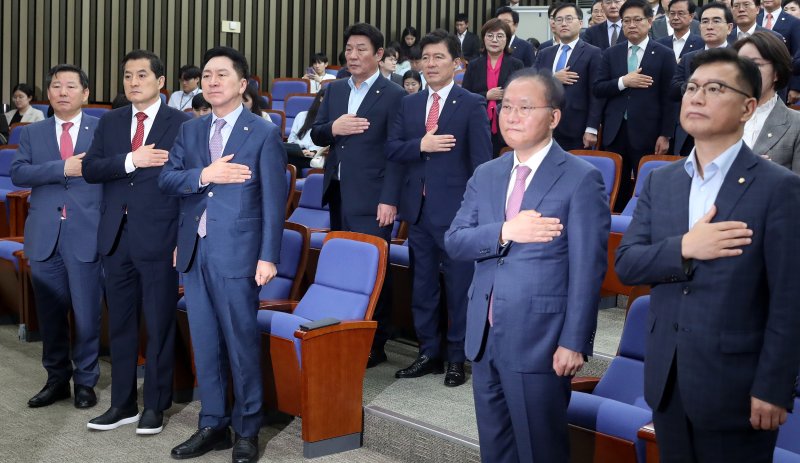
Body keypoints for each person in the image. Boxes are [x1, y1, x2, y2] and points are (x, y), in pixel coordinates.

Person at [615, 47, 800, 463]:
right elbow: (627, 264)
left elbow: (790, 300)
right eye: (692, 88)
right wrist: (685, 247)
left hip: (738, 386)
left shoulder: (778, 187)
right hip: (667, 379)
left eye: (715, 89)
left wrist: (773, 387)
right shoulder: (662, 181)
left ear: (747, 107)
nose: (697, 97)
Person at [445, 68, 609, 463]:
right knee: (496, 449)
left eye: (525, 108)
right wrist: (506, 231)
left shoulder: (581, 178)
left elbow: (588, 269)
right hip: (484, 334)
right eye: (506, 107)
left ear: (553, 117)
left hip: (541, 339)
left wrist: (575, 341)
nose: (512, 116)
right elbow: (455, 241)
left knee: (540, 450)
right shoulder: (487, 173)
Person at [160, 46, 286, 463]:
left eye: (222, 75)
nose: (212, 82)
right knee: (205, 342)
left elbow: (273, 200)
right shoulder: (191, 130)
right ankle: (212, 424)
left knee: (241, 344)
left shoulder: (262, 132)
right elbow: (168, 180)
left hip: (239, 253)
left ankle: (247, 429)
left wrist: (268, 256)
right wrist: (204, 175)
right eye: (207, 75)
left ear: (242, 83)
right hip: (195, 251)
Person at [82, 49, 191, 435]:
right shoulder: (110, 121)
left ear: (160, 82)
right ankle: (123, 403)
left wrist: (182, 238)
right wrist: (132, 159)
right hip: (116, 236)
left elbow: (188, 183)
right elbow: (91, 169)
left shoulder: (181, 123)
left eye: (141, 75)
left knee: (159, 323)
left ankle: (156, 405)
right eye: (128, 75)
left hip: (160, 236)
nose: (133, 82)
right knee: (122, 323)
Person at [387, 29, 492, 388]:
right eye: (425, 58)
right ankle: (428, 352)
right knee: (423, 287)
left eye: (439, 57)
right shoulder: (409, 103)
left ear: (457, 63)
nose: (430, 64)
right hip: (417, 212)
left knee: (460, 288)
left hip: (457, 216)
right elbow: (393, 149)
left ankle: (457, 357)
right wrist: (422, 144)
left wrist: (477, 214)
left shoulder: (471, 103)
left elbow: (481, 165)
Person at [310, 23, 406, 368]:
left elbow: (396, 152)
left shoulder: (395, 95)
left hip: (374, 196)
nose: (352, 55)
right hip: (338, 190)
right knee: (346, 267)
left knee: (375, 269)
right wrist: (333, 128)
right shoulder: (335, 89)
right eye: (349, 49)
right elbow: (317, 133)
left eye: (361, 49)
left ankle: (375, 342)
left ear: (379, 54)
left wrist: (390, 198)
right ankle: (345, 333)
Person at [10, 64, 103, 411]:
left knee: (87, 313)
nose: (63, 92)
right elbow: (19, 173)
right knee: (49, 314)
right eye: (56, 86)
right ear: (48, 93)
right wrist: (62, 168)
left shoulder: (102, 130)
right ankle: (56, 380)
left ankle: (86, 382)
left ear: (85, 93)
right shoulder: (32, 132)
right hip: (44, 234)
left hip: (87, 233)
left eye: (71, 86)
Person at [593, 0, 676, 211]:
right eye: (626, 21)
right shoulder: (611, 53)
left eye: (637, 20)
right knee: (616, 186)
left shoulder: (664, 54)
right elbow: (598, 88)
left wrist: (665, 134)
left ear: (650, 22)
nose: (631, 25)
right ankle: (614, 224)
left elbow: (670, 98)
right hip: (615, 131)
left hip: (649, 132)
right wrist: (624, 82)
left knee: (647, 185)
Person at [534, 3, 604, 150]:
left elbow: (596, 94)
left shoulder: (593, 53)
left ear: (580, 23)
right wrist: (552, 78)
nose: (563, 23)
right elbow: (532, 83)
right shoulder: (545, 53)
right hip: (544, 126)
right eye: (559, 20)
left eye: (568, 19)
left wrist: (591, 128)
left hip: (576, 127)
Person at [671, 2, 736, 156]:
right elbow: (673, 90)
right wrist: (696, 86)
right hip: (689, 134)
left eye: (716, 21)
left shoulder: (739, 58)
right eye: (705, 22)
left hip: (725, 132)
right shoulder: (688, 58)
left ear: (729, 28)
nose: (709, 26)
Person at [735, 32, 800, 173]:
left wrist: (768, 175)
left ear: (776, 73)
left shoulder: (796, 124)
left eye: (755, 64)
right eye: (740, 64)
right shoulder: (720, 117)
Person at [462, 18, 525, 157]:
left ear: (507, 39)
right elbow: (465, 95)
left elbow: (523, 95)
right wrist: (486, 95)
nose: (494, 40)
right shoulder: (474, 65)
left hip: (508, 122)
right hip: (479, 121)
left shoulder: (517, 65)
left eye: (500, 36)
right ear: (484, 38)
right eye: (490, 35)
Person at [288, 88, 327, 170]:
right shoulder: (301, 116)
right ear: (320, 98)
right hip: (298, 152)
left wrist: (314, 152)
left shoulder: (332, 120)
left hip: (316, 155)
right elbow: (292, 138)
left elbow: (328, 146)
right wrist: (297, 150)